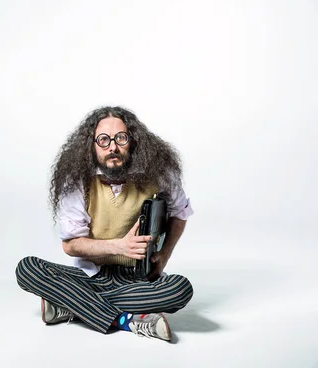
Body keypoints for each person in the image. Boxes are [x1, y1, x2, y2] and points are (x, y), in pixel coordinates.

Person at [15, 106, 194, 342]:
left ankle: (72, 304)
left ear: (133, 141)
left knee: (180, 289)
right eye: (103, 140)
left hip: (137, 278)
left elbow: (180, 212)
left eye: (121, 138)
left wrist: (165, 254)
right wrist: (119, 246)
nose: (113, 147)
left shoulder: (158, 173)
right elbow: (70, 245)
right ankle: (126, 320)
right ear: (92, 146)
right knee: (27, 268)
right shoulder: (78, 181)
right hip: (91, 275)